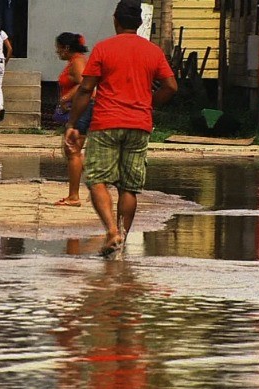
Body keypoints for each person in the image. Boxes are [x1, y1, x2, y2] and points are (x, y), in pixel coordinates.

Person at [64, 0, 177, 257]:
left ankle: (112, 231)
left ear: (116, 20)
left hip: (106, 123)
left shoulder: (104, 49)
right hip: (139, 125)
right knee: (129, 187)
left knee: (97, 180)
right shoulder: (153, 51)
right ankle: (122, 239)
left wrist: (72, 123)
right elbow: (171, 86)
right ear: (138, 22)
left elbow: (85, 88)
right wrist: (149, 104)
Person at [54, 32, 93, 208]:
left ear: (66, 48)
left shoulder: (77, 61)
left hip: (83, 108)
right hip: (79, 108)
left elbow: (83, 85)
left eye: (58, 48)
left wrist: (65, 99)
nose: (57, 52)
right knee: (71, 151)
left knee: (73, 150)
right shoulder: (75, 61)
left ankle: (74, 196)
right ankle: (97, 183)